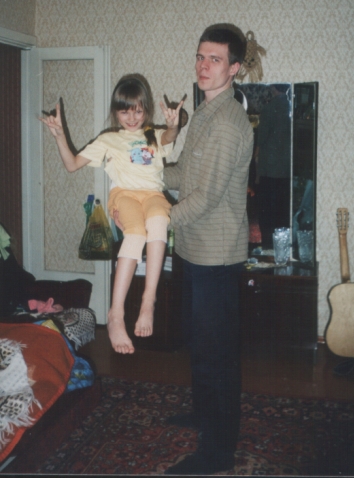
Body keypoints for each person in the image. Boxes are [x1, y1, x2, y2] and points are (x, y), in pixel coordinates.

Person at [161, 24, 254, 475]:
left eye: (215, 59)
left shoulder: (228, 123)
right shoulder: (203, 112)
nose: (203, 65)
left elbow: (207, 197)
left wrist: (155, 223)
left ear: (234, 68)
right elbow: (184, 175)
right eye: (200, 56)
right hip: (195, 249)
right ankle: (204, 415)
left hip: (217, 256)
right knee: (200, 344)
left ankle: (218, 454)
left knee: (217, 357)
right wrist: (144, 173)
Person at [40, 74, 183, 355]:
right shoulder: (109, 139)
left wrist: (173, 125)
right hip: (124, 195)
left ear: (146, 111)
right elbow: (72, 164)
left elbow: (170, 136)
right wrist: (60, 136)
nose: (132, 118)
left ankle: (148, 301)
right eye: (124, 111)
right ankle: (116, 313)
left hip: (153, 195)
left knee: (158, 221)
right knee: (135, 234)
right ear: (115, 112)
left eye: (138, 111)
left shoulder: (153, 135)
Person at [256, 84, 291, 248]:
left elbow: (261, 139)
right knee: (282, 214)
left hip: (269, 170)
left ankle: (268, 247)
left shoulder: (269, 109)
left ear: (273, 88)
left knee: (267, 214)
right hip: (286, 170)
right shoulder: (291, 107)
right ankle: (281, 249)